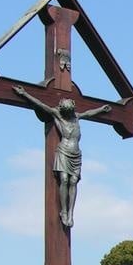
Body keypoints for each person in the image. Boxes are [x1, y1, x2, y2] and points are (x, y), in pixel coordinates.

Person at [11, 84, 110, 228]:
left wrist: (101, 109)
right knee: (64, 179)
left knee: (74, 181)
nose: (69, 114)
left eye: (70, 111)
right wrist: (24, 94)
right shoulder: (58, 115)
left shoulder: (76, 117)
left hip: (76, 154)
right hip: (63, 150)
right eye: (66, 112)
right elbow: (41, 104)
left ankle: (70, 213)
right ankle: (63, 211)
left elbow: (89, 113)